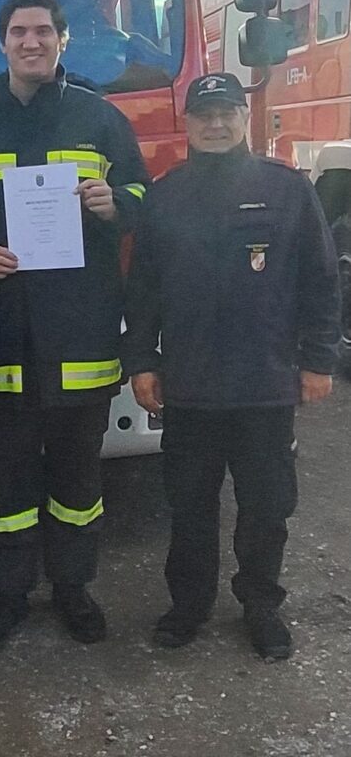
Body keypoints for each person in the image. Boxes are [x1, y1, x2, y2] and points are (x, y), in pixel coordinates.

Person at [0, 0, 149, 655]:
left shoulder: (100, 119)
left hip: (83, 335)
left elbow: (143, 194)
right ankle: (7, 597)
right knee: (6, 486)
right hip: (1, 339)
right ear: (3, 43)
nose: (32, 42)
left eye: (43, 31)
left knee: (79, 483)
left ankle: (74, 590)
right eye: (19, 32)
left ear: (62, 40)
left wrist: (115, 204)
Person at [123, 72, 340, 660]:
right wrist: (142, 362)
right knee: (189, 505)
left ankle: (261, 605)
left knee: (267, 506)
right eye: (204, 115)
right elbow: (143, 292)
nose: (215, 124)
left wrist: (319, 361)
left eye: (226, 113)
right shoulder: (165, 196)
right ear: (188, 124)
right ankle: (189, 605)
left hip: (264, 384)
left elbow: (320, 282)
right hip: (189, 385)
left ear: (244, 119)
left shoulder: (286, 189)